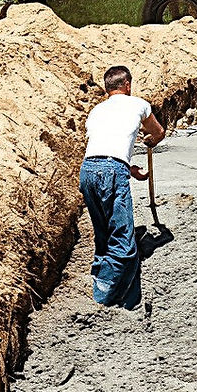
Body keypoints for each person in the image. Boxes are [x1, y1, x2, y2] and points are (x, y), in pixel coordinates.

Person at [79, 65, 165, 310]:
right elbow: (158, 133)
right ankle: (110, 297)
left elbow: (104, 150)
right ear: (127, 85)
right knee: (124, 241)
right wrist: (151, 139)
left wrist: (129, 168)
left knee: (103, 233)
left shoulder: (96, 111)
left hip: (88, 171)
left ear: (108, 88)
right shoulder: (138, 104)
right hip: (112, 172)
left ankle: (101, 277)